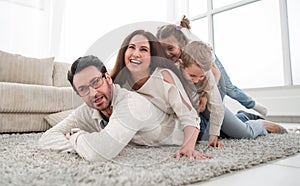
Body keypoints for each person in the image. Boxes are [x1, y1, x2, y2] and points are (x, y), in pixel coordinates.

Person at [38, 55, 211, 162]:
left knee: (237, 129)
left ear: (107, 77)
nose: (93, 93)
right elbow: (46, 139)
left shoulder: (130, 104)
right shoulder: (86, 110)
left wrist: (76, 136)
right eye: (83, 89)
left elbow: (99, 153)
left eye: (95, 82)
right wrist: (87, 141)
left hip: (199, 127)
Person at [110, 29, 222, 147]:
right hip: (189, 111)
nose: (136, 53)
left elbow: (195, 114)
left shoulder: (166, 75)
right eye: (131, 47)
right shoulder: (119, 83)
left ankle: (241, 116)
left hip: (198, 118)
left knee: (236, 129)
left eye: (143, 49)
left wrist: (212, 136)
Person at [156, 15, 268, 117]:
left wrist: (205, 95)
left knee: (229, 89)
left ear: (180, 45)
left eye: (170, 48)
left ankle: (253, 105)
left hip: (211, 62)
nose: (166, 53)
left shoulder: (193, 51)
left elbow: (215, 74)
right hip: (196, 68)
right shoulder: (173, 56)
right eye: (162, 49)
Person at [180, 41, 287, 140]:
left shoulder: (208, 75)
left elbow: (217, 107)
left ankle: (261, 124)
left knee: (245, 134)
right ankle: (242, 117)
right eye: (192, 76)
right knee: (203, 135)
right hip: (194, 108)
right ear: (181, 64)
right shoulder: (174, 73)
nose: (196, 80)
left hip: (208, 102)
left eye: (201, 77)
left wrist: (204, 96)